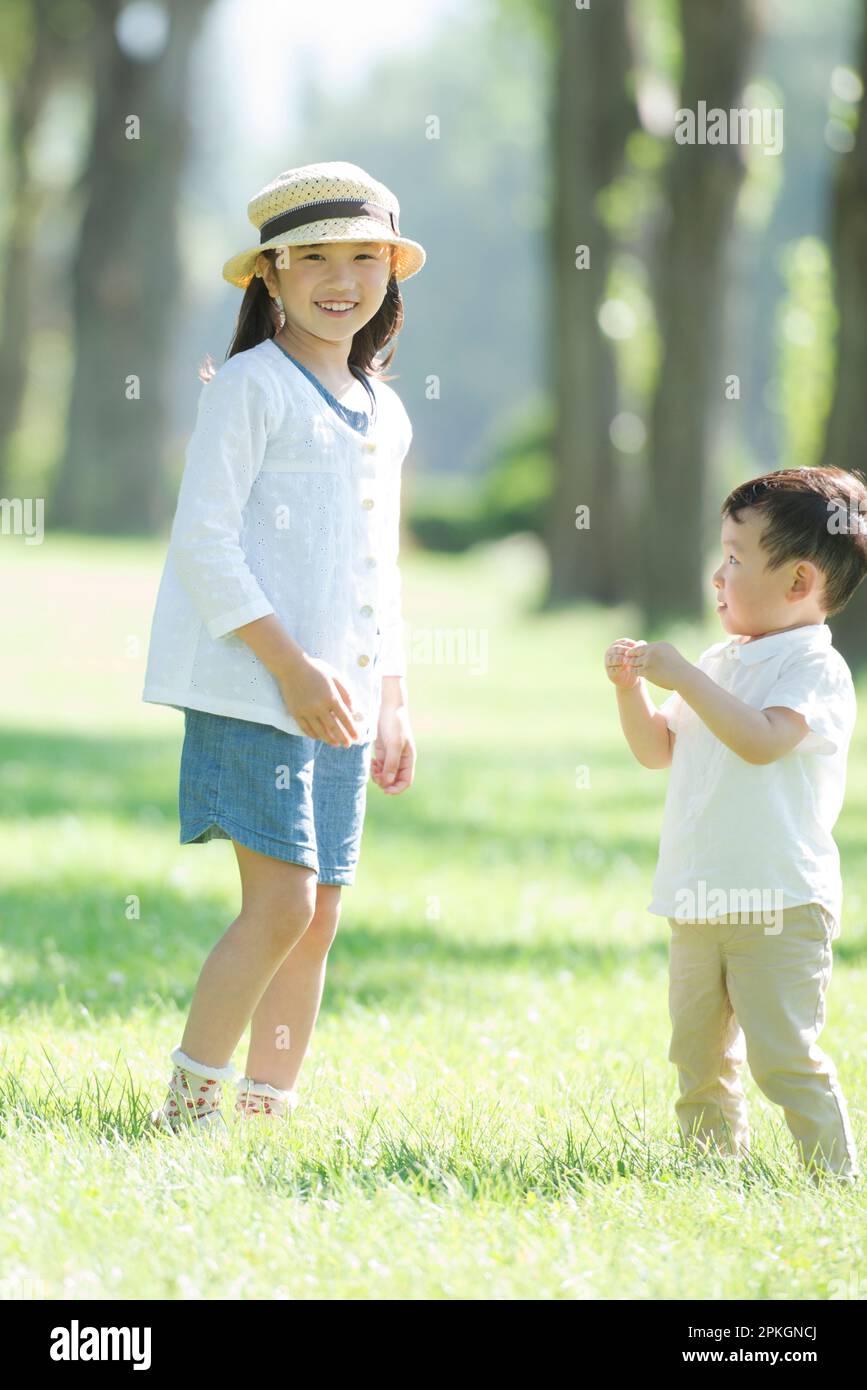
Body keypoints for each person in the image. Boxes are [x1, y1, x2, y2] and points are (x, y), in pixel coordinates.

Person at [141, 162, 426, 1132]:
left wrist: (390, 696)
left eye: (362, 256)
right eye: (313, 259)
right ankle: (188, 1111)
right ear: (270, 273)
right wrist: (292, 667)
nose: (339, 278)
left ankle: (266, 1116)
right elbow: (204, 544)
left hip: (340, 696)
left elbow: (376, 570)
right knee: (282, 905)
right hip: (255, 684)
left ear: (391, 269)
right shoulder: (251, 388)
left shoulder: (384, 410)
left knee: (322, 912)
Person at [604, 465, 867, 1180]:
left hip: (779, 901)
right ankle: (709, 1172)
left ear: (797, 582)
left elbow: (759, 741)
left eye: (734, 559)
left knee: (781, 1055)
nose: (716, 575)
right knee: (695, 1055)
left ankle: (831, 1178)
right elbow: (657, 751)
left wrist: (685, 676)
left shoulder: (814, 668)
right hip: (697, 895)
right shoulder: (721, 659)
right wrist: (632, 694)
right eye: (719, 554)